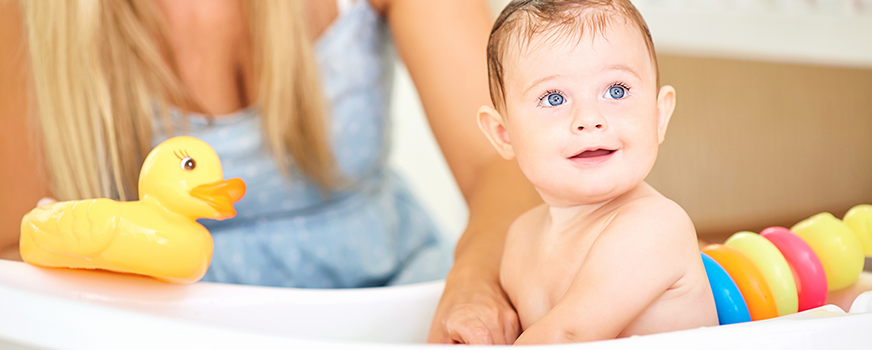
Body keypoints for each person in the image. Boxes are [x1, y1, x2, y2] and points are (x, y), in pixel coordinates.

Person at [0, 0, 540, 343]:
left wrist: (474, 281)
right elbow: (17, 250)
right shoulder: (24, 15)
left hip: (397, 303)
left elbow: (506, 158)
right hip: (161, 331)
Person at [474, 0, 718, 343]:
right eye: (554, 98)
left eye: (616, 91)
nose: (589, 119)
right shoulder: (519, 239)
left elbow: (567, 336)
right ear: (504, 135)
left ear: (659, 116)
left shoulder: (655, 226)